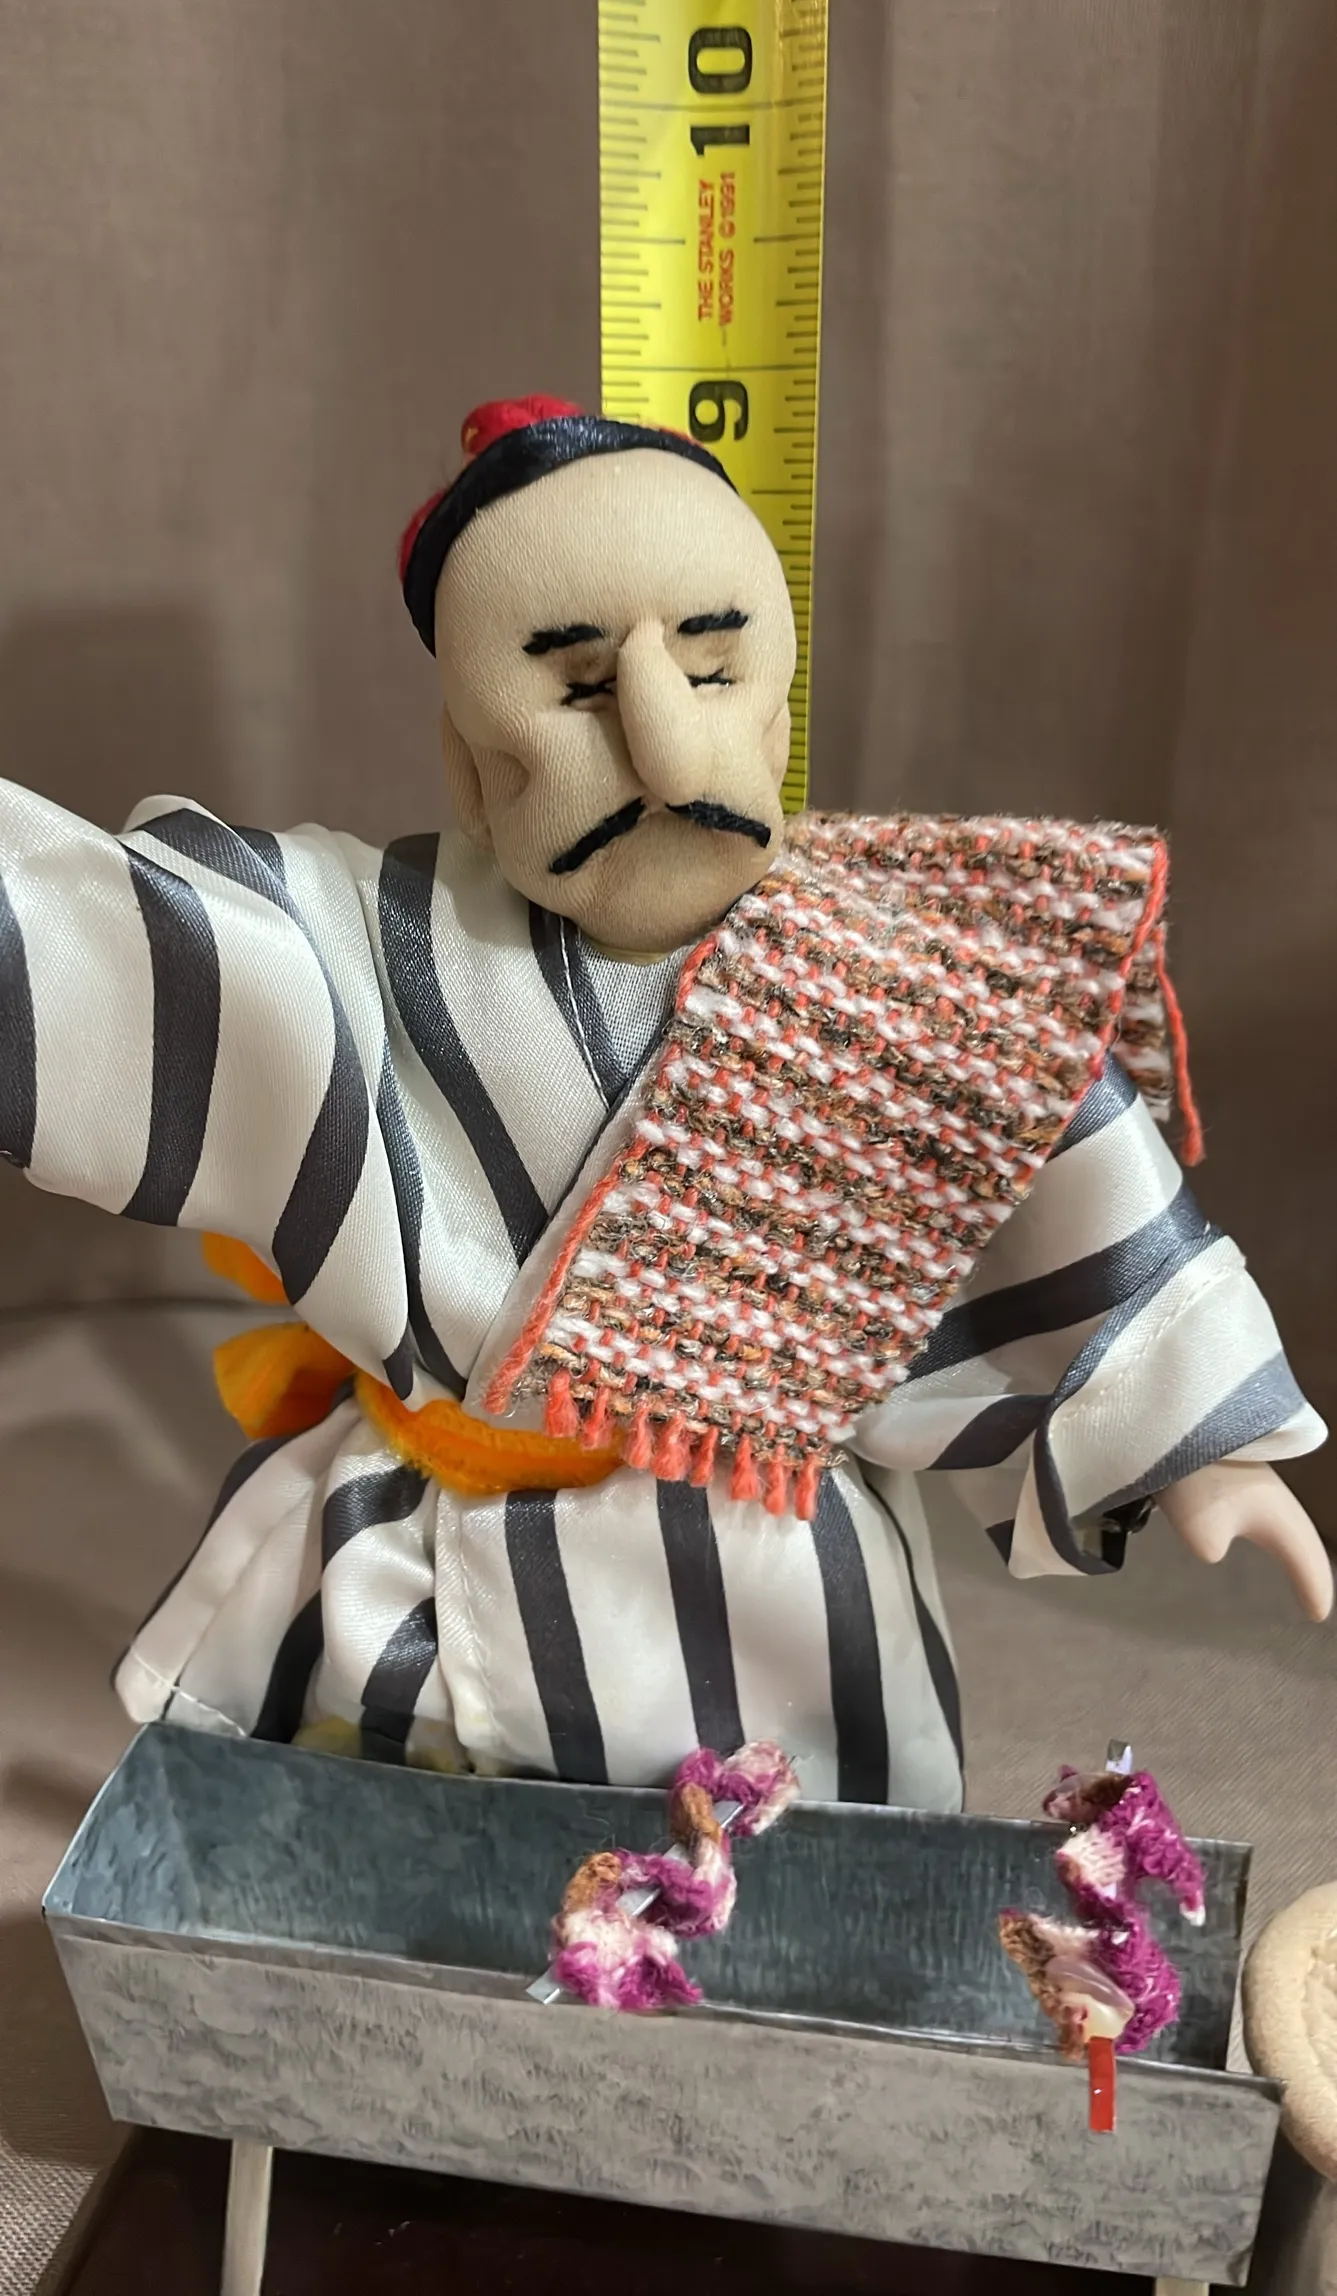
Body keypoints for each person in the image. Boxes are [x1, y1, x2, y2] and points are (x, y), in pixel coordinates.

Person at [0, 394, 1326, 1809]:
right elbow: (119, 954)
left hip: (756, 1567)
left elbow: (1039, 1162)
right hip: (424, 1545)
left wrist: (1193, 1438)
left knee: (779, 1846)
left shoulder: (878, 970)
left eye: (708, 667)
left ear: (775, 701)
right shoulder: (361, 935)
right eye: (579, 687)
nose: (662, 748)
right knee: (360, 1834)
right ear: (468, 758)